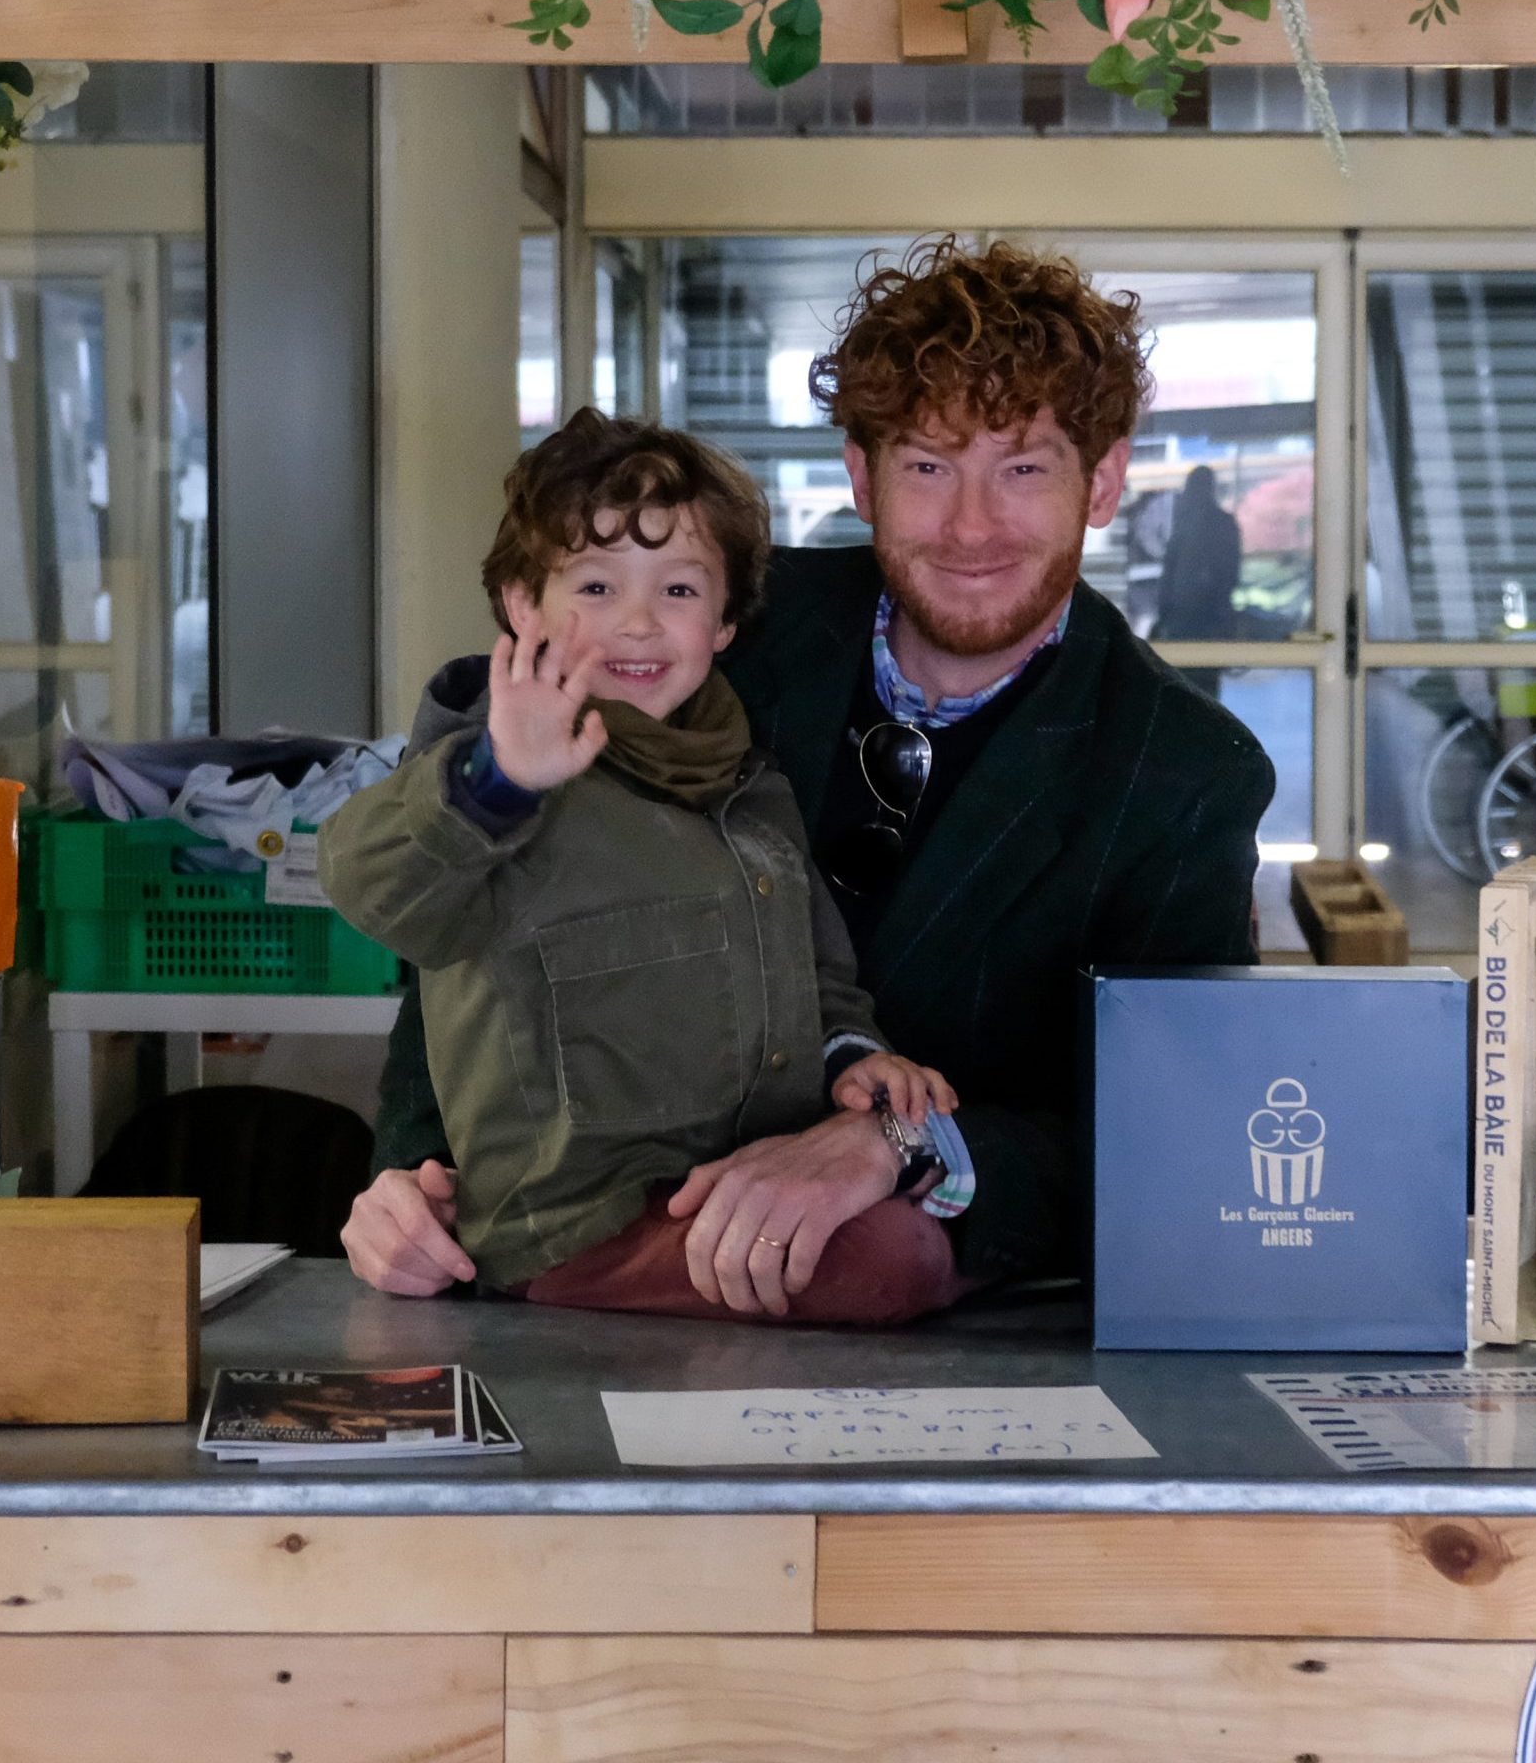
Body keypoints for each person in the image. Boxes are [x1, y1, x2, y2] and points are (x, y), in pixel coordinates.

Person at [343, 236, 1276, 1315]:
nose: (971, 526)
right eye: (927, 467)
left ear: (1103, 481)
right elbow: (486, 902)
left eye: (1022, 468)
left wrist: (904, 1148)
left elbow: (1172, 1128)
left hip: (918, 1348)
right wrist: (409, 1170)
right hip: (573, 1264)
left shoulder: (1184, 773)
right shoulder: (703, 621)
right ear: (860, 477)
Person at [318, 413, 968, 1322]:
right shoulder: (498, 775)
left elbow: (819, 981)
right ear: (520, 604)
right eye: (593, 584)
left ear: (727, 622)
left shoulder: (751, 784)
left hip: (739, 1187)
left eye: (677, 589)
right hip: (578, 1224)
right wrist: (498, 779)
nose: (637, 622)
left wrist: (855, 1062)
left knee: (899, 1234)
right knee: (896, 1257)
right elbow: (367, 882)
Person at [1155, 463, 1243, 642]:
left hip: (1196, 616)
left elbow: (1170, 571)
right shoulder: (1218, 523)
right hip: (1199, 616)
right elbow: (1231, 572)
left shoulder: (1188, 524)